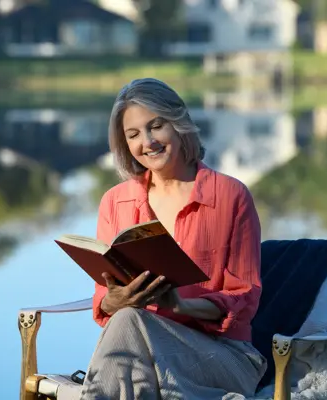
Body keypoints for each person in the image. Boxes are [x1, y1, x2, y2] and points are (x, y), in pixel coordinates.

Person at [80, 78, 267, 400]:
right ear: (124, 143)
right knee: (127, 320)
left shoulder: (230, 195)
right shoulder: (116, 201)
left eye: (156, 126)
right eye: (133, 134)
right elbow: (104, 300)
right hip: (138, 348)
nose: (148, 142)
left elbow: (243, 299)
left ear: (179, 124)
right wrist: (115, 300)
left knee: (128, 327)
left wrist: (180, 305)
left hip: (223, 356)